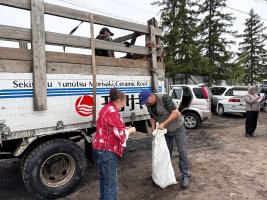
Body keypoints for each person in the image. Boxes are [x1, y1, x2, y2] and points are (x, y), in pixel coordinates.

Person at [139, 89, 191, 189]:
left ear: (151, 95)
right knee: (165, 153)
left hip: (177, 128)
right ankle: (164, 176)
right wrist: (153, 130)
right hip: (166, 131)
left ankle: (185, 175)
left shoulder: (164, 98)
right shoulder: (148, 104)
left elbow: (176, 113)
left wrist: (163, 124)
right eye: (144, 102)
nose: (146, 103)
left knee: (182, 151)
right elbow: (153, 117)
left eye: (146, 100)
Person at [92, 88, 136, 200]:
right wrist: (131, 130)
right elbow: (121, 135)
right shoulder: (112, 112)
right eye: (124, 101)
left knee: (105, 180)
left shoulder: (106, 108)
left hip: (100, 148)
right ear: (119, 100)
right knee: (110, 183)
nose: (124, 104)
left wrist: (124, 128)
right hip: (107, 150)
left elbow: (112, 128)